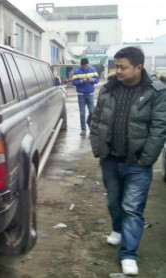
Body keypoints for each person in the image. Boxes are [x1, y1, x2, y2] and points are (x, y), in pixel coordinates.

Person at [89, 46, 166, 276]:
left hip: (137, 163)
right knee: (114, 202)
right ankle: (117, 230)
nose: (117, 71)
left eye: (123, 67)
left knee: (132, 208)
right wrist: (97, 147)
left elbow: (159, 128)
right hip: (110, 160)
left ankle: (129, 254)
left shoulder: (156, 91)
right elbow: (96, 120)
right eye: (116, 66)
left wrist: (147, 159)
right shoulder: (108, 89)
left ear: (138, 67)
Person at [72, 58, 100, 135]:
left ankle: (90, 124)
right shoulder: (77, 71)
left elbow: (97, 79)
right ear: (81, 65)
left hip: (90, 94)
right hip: (81, 95)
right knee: (82, 113)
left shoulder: (93, 70)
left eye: (86, 65)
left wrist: (92, 80)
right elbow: (74, 82)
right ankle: (83, 129)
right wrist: (81, 81)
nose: (85, 67)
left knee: (92, 112)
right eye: (84, 66)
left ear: (88, 64)